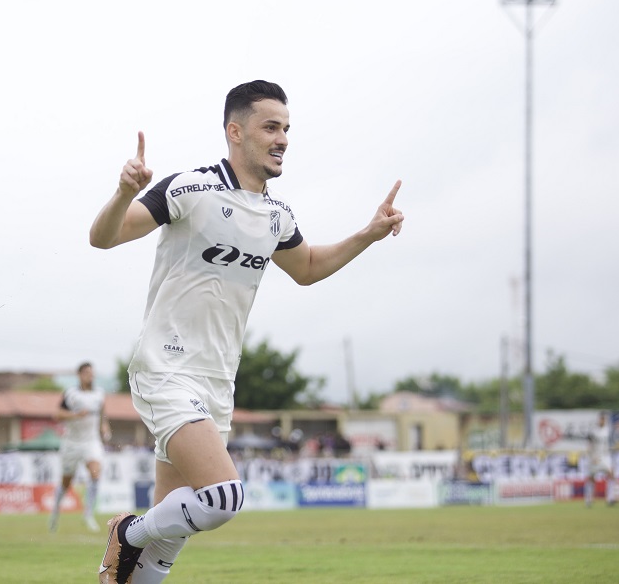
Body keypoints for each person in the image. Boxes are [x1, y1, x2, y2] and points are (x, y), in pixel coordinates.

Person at [89, 80, 404, 583]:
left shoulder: (276, 214)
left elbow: (308, 267)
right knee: (221, 498)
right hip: (167, 368)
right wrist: (125, 191)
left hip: (218, 380)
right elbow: (104, 237)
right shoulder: (189, 189)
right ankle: (125, 533)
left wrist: (367, 234)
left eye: (286, 129)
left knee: (169, 537)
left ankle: (132, 554)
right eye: (270, 127)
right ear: (235, 132)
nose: (282, 139)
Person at [49, 361, 111, 533]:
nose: (90, 376)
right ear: (80, 375)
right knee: (66, 482)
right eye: (87, 373)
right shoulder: (71, 394)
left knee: (95, 473)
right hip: (71, 443)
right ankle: (55, 512)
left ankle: (88, 514)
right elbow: (57, 414)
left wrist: (105, 427)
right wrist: (76, 415)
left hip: (91, 441)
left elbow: (103, 415)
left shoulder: (99, 394)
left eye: (92, 373)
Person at [584, 411, 615, 507]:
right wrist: (591, 456)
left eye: (604, 419)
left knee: (611, 474)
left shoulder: (608, 430)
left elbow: (611, 443)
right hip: (595, 456)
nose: (602, 421)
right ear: (598, 420)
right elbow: (589, 445)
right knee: (591, 478)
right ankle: (588, 500)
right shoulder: (593, 431)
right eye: (601, 419)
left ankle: (610, 499)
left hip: (605, 456)